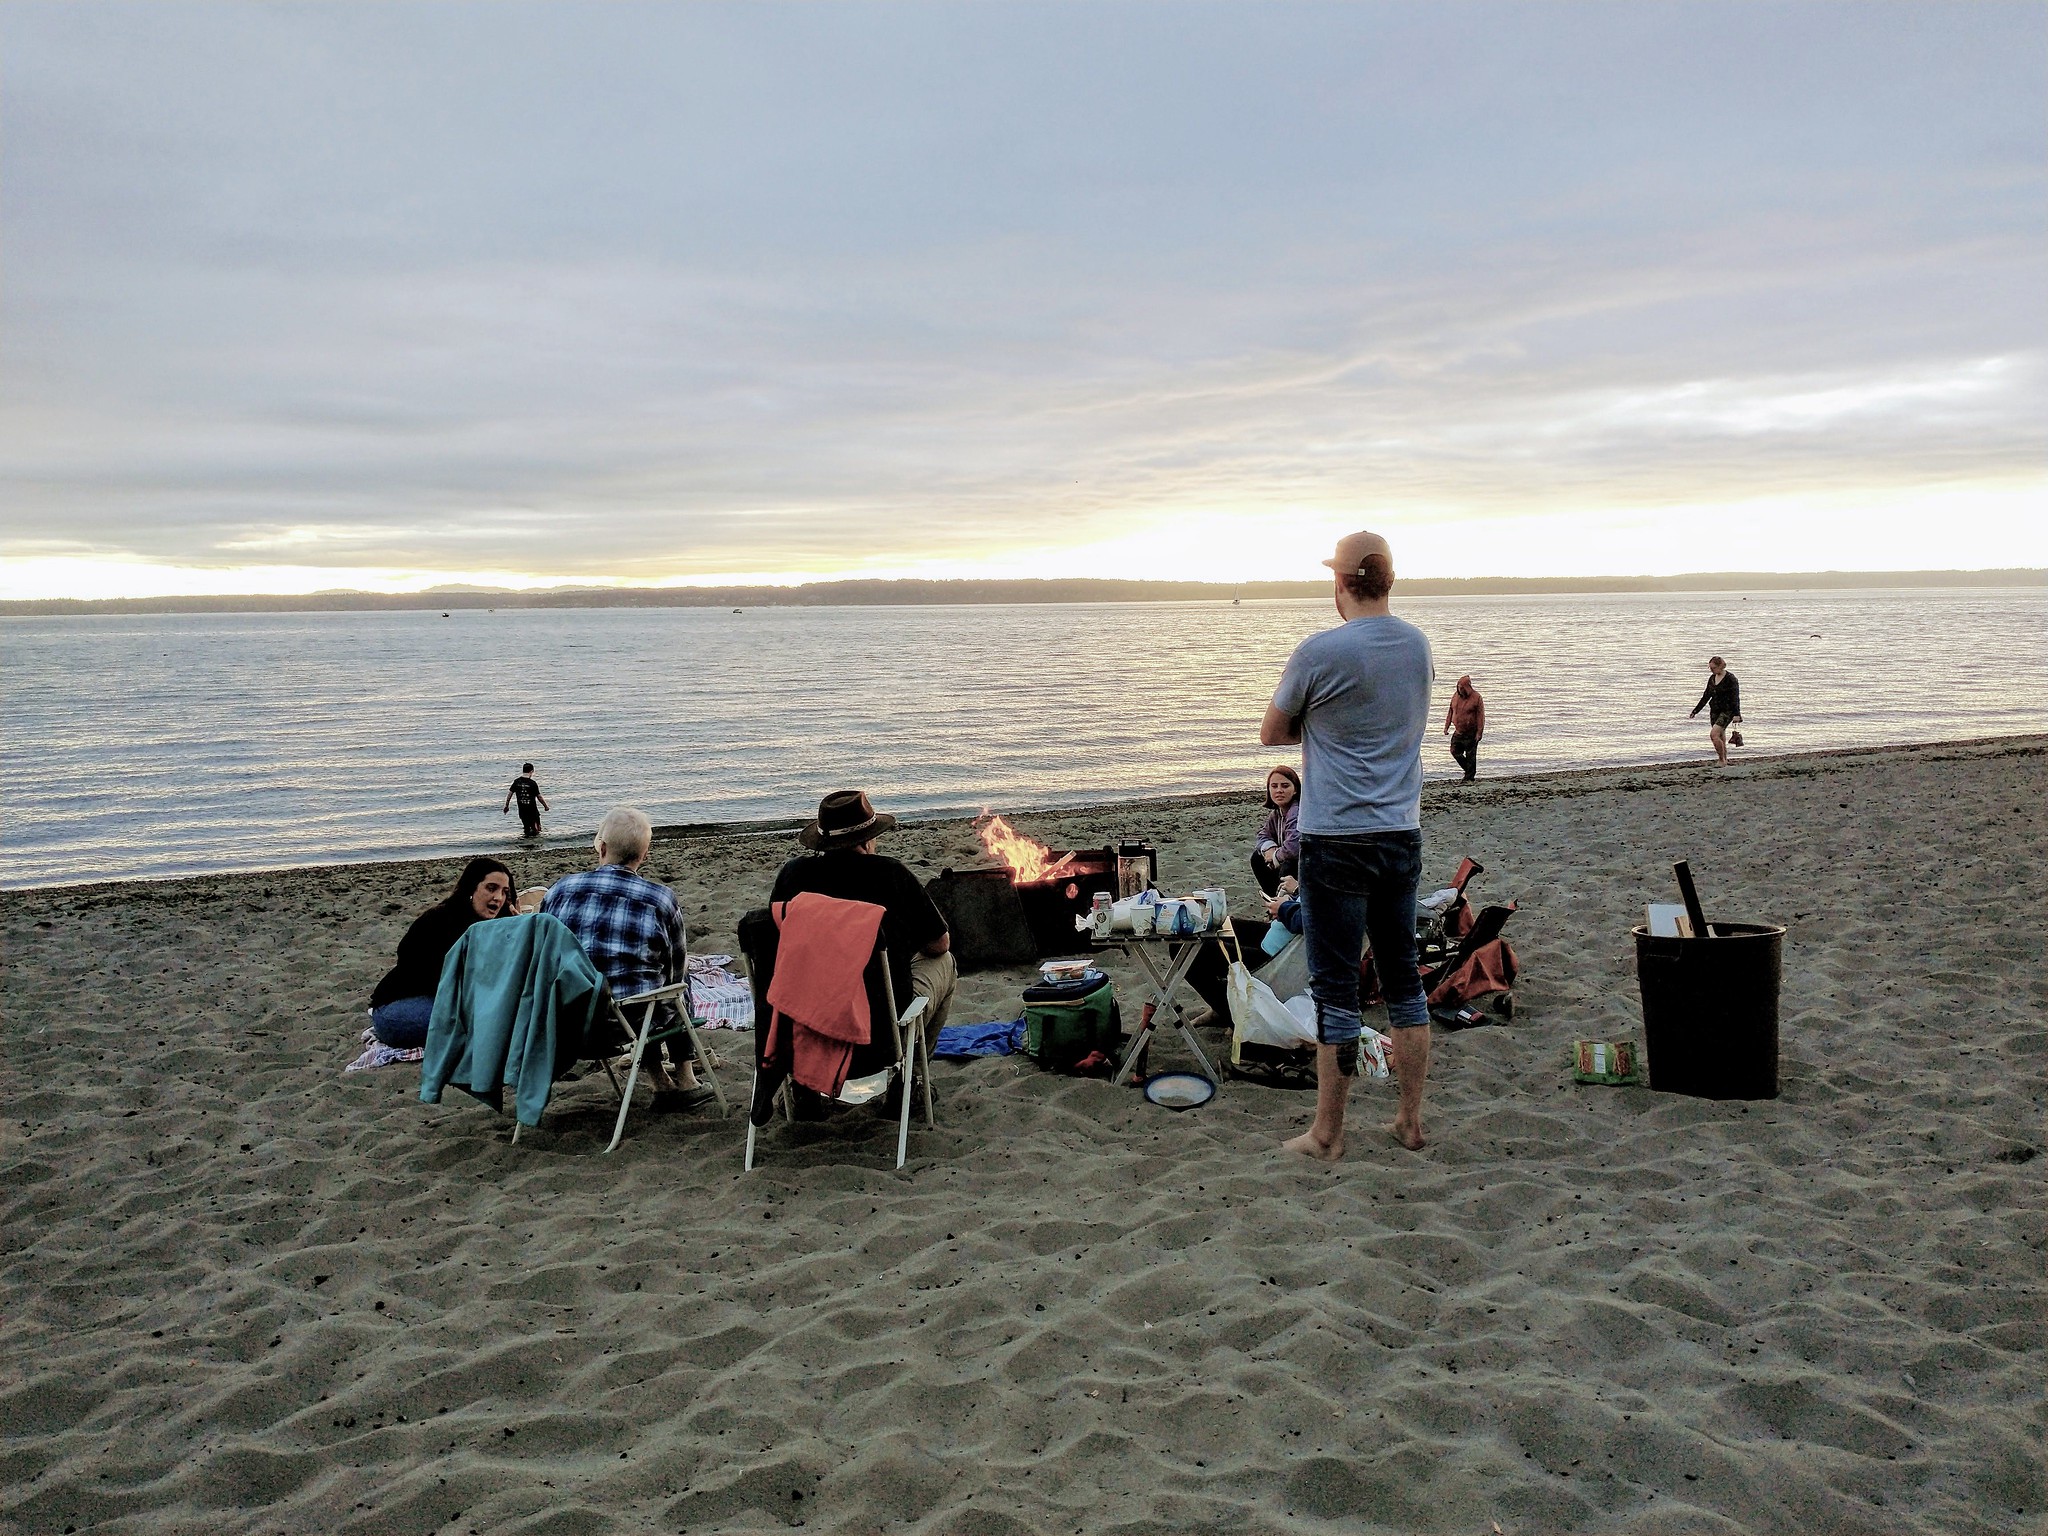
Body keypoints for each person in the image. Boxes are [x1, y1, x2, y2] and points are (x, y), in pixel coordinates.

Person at [1261, 528, 1435, 1156]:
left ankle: (1327, 1134)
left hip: (1336, 838)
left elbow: (1272, 733)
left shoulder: (1320, 652)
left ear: (1339, 583)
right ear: (1389, 580)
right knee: (1404, 980)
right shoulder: (1417, 647)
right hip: (1400, 832)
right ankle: (1409, 1121)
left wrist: (1319, 718)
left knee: (1335, 988)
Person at [542, 807, 712, 1110]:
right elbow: (675, 976)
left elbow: (540, 958)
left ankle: (661, 1082)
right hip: (626, 1024)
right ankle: (686, 1080)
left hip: (564, 1021)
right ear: (643, 855)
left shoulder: (559, 891)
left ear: (602, 848)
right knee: (671, 983)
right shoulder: (659, 898)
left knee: (637, 986)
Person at [768, 789, 956, 1042]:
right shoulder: (891, 874)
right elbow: (939, 944)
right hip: (879, 1026)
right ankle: (914, 1074)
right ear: (867, 841)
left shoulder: (792, 875)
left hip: (804, 1020)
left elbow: (777, 941)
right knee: (945, 961)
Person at [368, 857, 513, 1047]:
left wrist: (516, 928)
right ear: (472, 888)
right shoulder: (440, 920)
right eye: (491, 888)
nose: (498, 898)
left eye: (504, 892)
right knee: (487, 1025)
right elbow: (420, 966)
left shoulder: (487, 926)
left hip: (439, 1002)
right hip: (396, 1009)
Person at [1251, 765, 1302, 896]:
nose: (1279, 790)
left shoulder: (1296, 811)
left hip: (1303, 864)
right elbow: (1262, 834)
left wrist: (1275, 857)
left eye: (1285, 786)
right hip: (1285, 860)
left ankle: (1284, 904)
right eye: (1274, 786)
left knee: (1287, 864)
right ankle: (1274, 900)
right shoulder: (1277, 814)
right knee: (1257, 858)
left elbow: (1294, 847)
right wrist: (1269, 848)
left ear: (1295, 789)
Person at [1689, 657, 1744, 766]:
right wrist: (1696, 710)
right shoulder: (1712, 678)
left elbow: (1735, 697)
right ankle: (1724, 760)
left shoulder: (1731, 679)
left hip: (1727, 711)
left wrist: (1737, 714)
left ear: (1720, 666)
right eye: (1710, 668)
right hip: (1714, 710)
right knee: (1720, 735)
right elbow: (1706, 696)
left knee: (1714, 735)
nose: (1711, 670)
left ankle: (1721, 760)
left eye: (1713, 668)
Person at [1443, 675, 1484, 781]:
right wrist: (1446, 727)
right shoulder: (1455, 696)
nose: (1460, 690)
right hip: (1459, 731)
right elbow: (1450, 711)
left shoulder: (1477, 698)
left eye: (1462, 688)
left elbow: (1480, 716)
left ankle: (1469, 777)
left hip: (1471, 732)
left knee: (1471, 755)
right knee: (1454, 751)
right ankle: (1469, 770)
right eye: (1458, 687)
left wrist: (1479, 732)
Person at [504, 764, 549, 836]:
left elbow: (510, 794)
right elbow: (539, 797)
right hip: (532, 810)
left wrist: (506, 806)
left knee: (526, 827)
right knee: (536, 828)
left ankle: (526, 844)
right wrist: (545, 806)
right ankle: (535, 844)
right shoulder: (532, 783)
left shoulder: (516, 782)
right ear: (531, 771)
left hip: (522, 809)